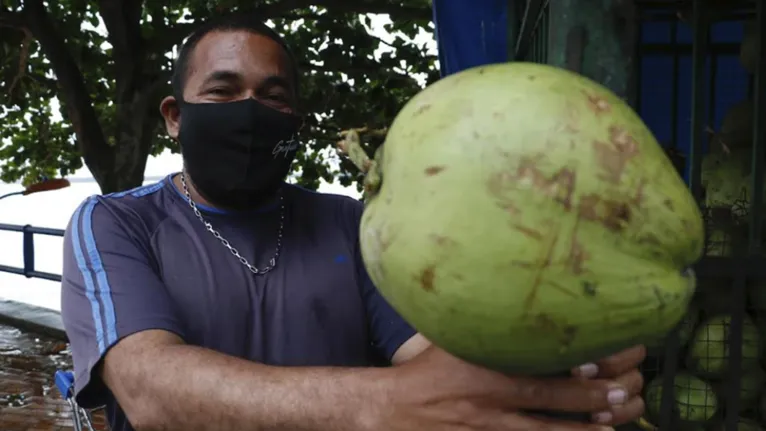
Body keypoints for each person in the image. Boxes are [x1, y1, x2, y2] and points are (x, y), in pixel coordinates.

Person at [60, 13, 647, 431]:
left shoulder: (351, 223)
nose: (249, 111)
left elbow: (431, 364)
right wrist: (385, 405)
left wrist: (555, 363)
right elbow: (149, 389)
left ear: (296, 120)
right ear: (174, 117)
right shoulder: (114, 223)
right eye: (223, 90)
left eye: (273, 96)